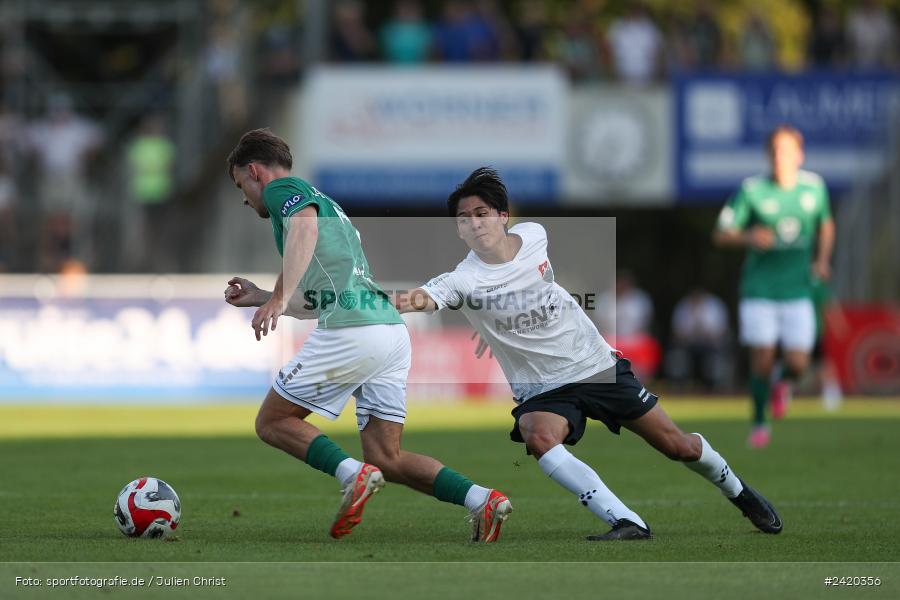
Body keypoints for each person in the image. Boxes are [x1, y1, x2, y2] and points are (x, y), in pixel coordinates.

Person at [395, 167, 782, 540]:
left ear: (503, 216)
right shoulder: (464, 278)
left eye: (481, 214)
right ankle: (626, 520)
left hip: (595, 365)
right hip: (544, 389)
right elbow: (418, 298)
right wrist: (370, 301)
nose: (475, 224)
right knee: (538, 435)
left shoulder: (534, 235)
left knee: (678, 446)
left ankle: (739, 492)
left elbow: (530, 287)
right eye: (464, 219)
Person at [222, 129, 511, 543]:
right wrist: (266, 297)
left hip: (353, 330)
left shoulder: (283, 190)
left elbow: (303, 228)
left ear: (255, 171)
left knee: (272, 421)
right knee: (386, 457)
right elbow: (320, 294)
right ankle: (483, 500)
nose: (245, 198)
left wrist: (279, 298)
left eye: (241, 186)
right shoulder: (328, 206)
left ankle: (352, 476)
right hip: (388, 331)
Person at [714, 125, 835, 448]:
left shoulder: (814, 188)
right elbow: (722, 233)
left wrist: (822, 260)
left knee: (798, 364)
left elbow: (826, 225)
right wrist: (748, 236)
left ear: (799, 155)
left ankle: (782, 383)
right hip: (760, 289)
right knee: (762, 358)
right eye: (776, 151)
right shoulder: (753, 190)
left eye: (787, 151)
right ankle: (759, 423)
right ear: (768, 155)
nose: (781, 157)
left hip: (798, 289)